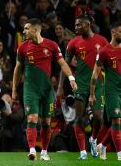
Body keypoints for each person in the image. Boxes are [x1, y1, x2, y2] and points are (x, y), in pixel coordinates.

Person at [12, 18, 77, 161]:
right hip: (30, 90)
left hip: (47, 90)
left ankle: (45, 151)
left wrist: (71, 78)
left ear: (36, 30)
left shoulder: (51, 45)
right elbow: (17, 69)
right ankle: (32, 150)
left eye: (26, 29)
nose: (24, 31)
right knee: (32, 118)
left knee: (47, 122)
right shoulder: (22, 47)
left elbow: (62, 63)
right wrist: (14, 90)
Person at [57, 15, 108, 160]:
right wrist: (60, 86)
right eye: (75, 25)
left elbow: (110, 62)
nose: (76, 28)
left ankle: (93, 139)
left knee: (98, 117)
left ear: (88, 25)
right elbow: (64, 65)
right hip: (80, 85)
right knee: (78, 118)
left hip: (98, 84)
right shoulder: (73, 43)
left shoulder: (102, 41)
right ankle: (83, 151)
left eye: (79, 25)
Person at [89, 21, 121, 161]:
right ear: (113, 32)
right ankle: (120, 153)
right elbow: (95, 74)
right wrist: (92, 94)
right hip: (111, 90)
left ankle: (102, 145)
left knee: (118, 122)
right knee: (116, 120)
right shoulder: (104, 51)